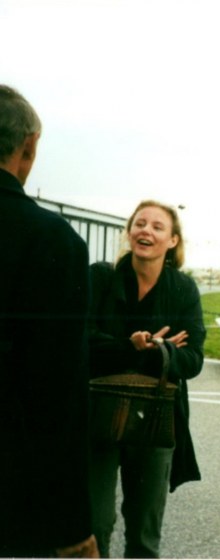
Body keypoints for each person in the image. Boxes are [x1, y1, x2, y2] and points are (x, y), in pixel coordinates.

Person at [0, 85, 99, 557]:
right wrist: (73, 526)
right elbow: (56, 397)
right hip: (15, 498)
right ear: (29, 146)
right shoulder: (53, 243)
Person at [87, 200, 206, 558]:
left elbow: (193, 359)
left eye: (157, 227)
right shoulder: (99, 278)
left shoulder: (183, 290)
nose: (146, 231)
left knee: (143, 531)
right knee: (94, 524)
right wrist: (131, 346)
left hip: (155, 420)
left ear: (172, 241)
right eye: (140, 224)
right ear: (129, 232)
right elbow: (80, 340)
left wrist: (159, 351)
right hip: (96, 413)